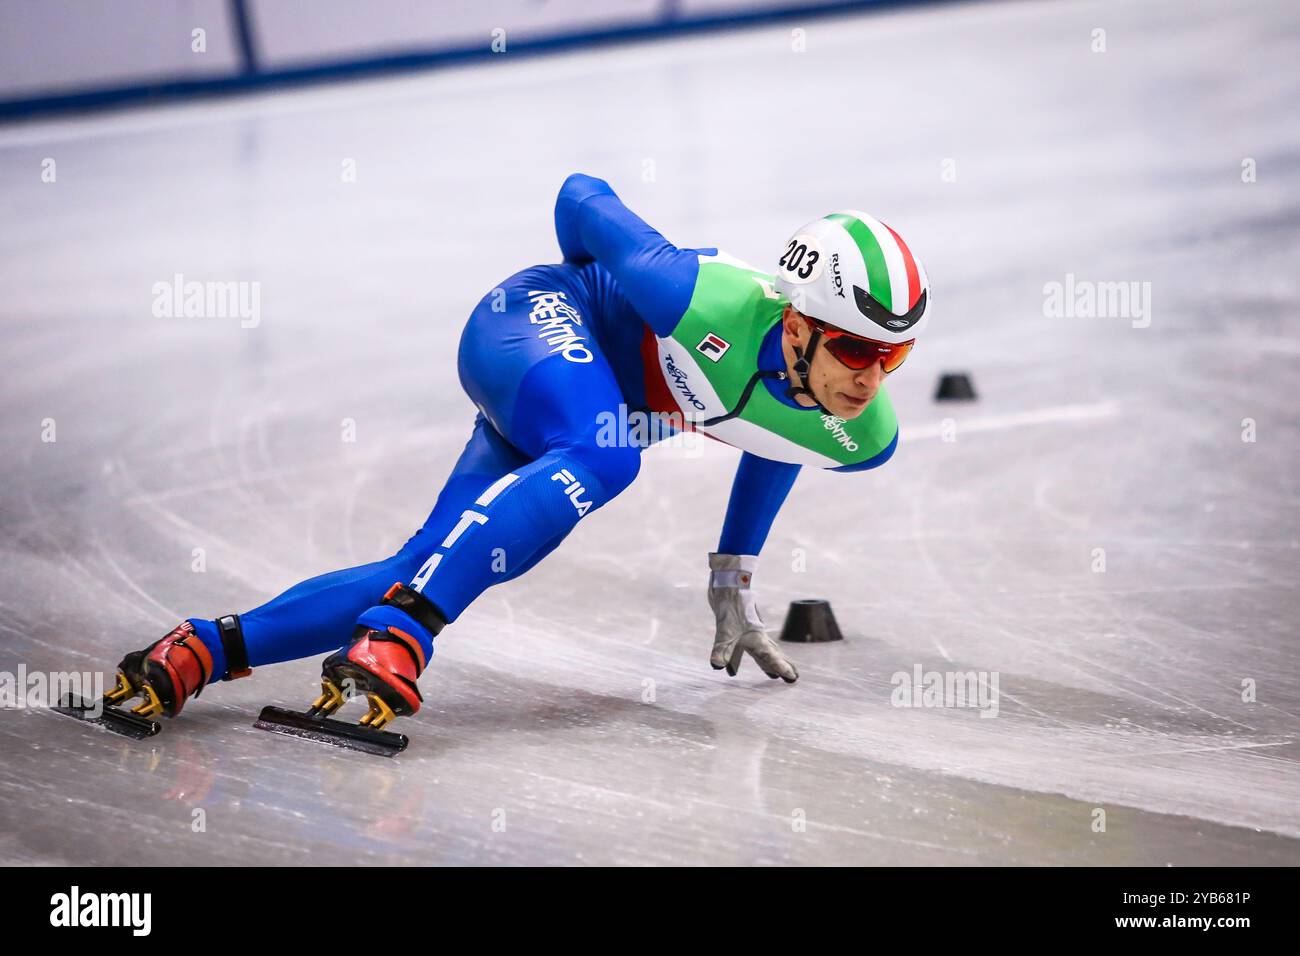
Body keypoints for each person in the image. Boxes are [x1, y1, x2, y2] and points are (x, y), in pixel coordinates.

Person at [103, 173, 932, 737]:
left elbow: (786, 436)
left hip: (580, 407)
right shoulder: (692, 294)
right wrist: (600, 319)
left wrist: (732, 572)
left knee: (429, 558)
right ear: (795, 325)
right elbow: (581, 195)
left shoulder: (863, 431)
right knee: (609, 457)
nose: (872, 378)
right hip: (533, 322)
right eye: (857, 351)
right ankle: (401, 636)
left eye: (893, 356)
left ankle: (203, 649)